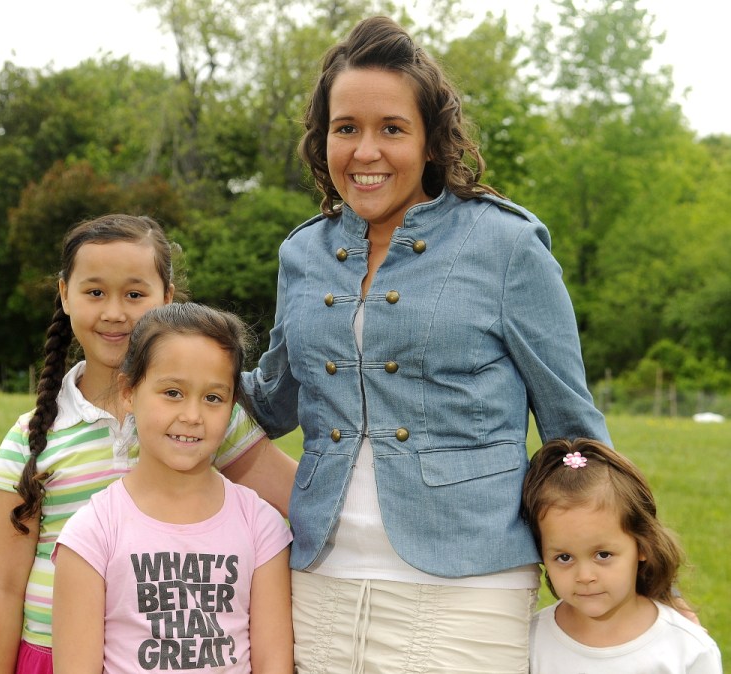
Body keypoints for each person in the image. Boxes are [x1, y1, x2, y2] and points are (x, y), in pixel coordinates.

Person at [241, 15, 610, 673]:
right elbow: (271, 403)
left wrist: (637, 567)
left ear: (432, 142)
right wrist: (153, 354)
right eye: (345, 128)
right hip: (319, 582)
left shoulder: (507, 245)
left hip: (468, 591)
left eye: (392, 129)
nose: (366, 151)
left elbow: (573, 431)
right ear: (321, 140)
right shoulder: (301, 252)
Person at [0, 215, 296, 674]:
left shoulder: (207, 422)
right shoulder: (32, 439)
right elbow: (1, 587)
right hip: (54, 656)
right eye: (94, 292)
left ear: (166, 297)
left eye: (134, 294)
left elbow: (304, 504)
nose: (115, 312)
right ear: (64, 294)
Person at [52, 302, 294, 673]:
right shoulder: (92, 533)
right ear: (129, 392)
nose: (192, 416)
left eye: (213, 398)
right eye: (172, 393)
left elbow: (273, 663)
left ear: (233, 406)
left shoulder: (261, 526)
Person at [521, 438, 722, 673]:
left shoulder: (687, 648)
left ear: (643, 545)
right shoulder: (529, 642)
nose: (585, 576)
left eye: (603, 554)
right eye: (564, 558)